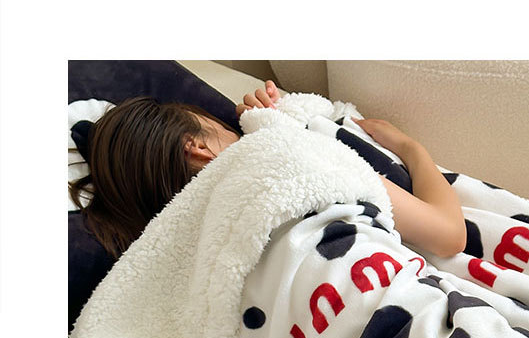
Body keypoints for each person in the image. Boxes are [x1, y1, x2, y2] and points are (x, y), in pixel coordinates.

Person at [70, 80, 466, 261]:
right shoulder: (287, 156)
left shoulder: (190, 249)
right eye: (224, 126)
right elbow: (449, 236)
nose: (237, 128)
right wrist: (410, 148)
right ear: (197, 148)